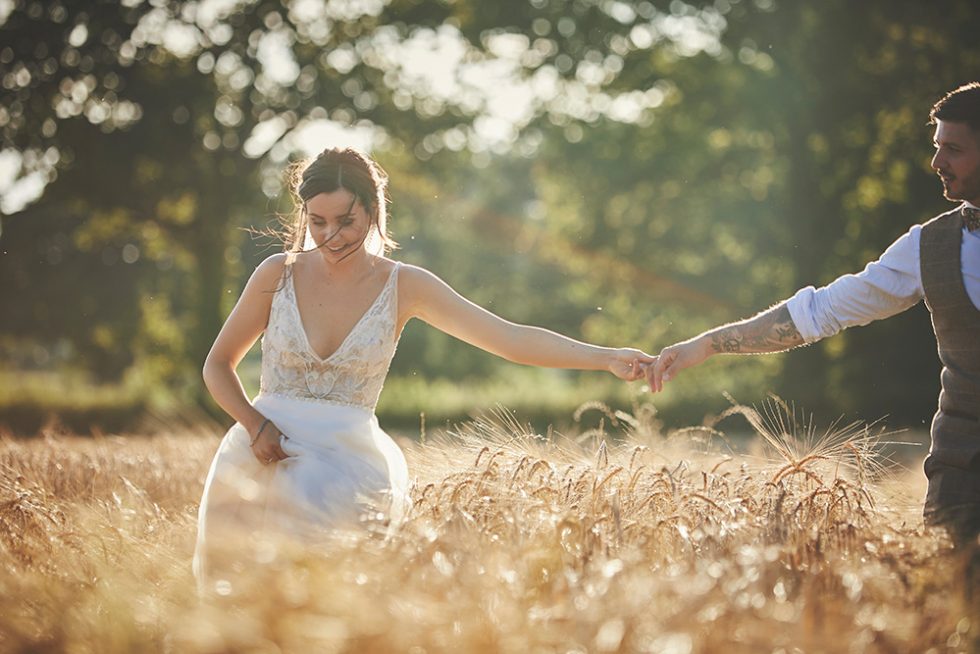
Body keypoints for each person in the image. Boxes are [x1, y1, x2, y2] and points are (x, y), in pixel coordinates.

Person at [194, 147, 655, 588]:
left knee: (324, 604)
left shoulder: (405, 285)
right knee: (236, 606)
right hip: (256, 457)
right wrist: (254, 425)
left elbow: (509, 338)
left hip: (342, 464)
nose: (331, 236)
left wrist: (606, 358)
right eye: (317, 222)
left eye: (345, 221)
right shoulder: (278, 273)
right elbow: (217, 364)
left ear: (372, 210)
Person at [646, 82, 980, 541]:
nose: (936, 163)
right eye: (937, 147)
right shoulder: (927, 247)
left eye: (954, 149)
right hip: (963, 473)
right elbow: (818, 312)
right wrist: (706, 345)